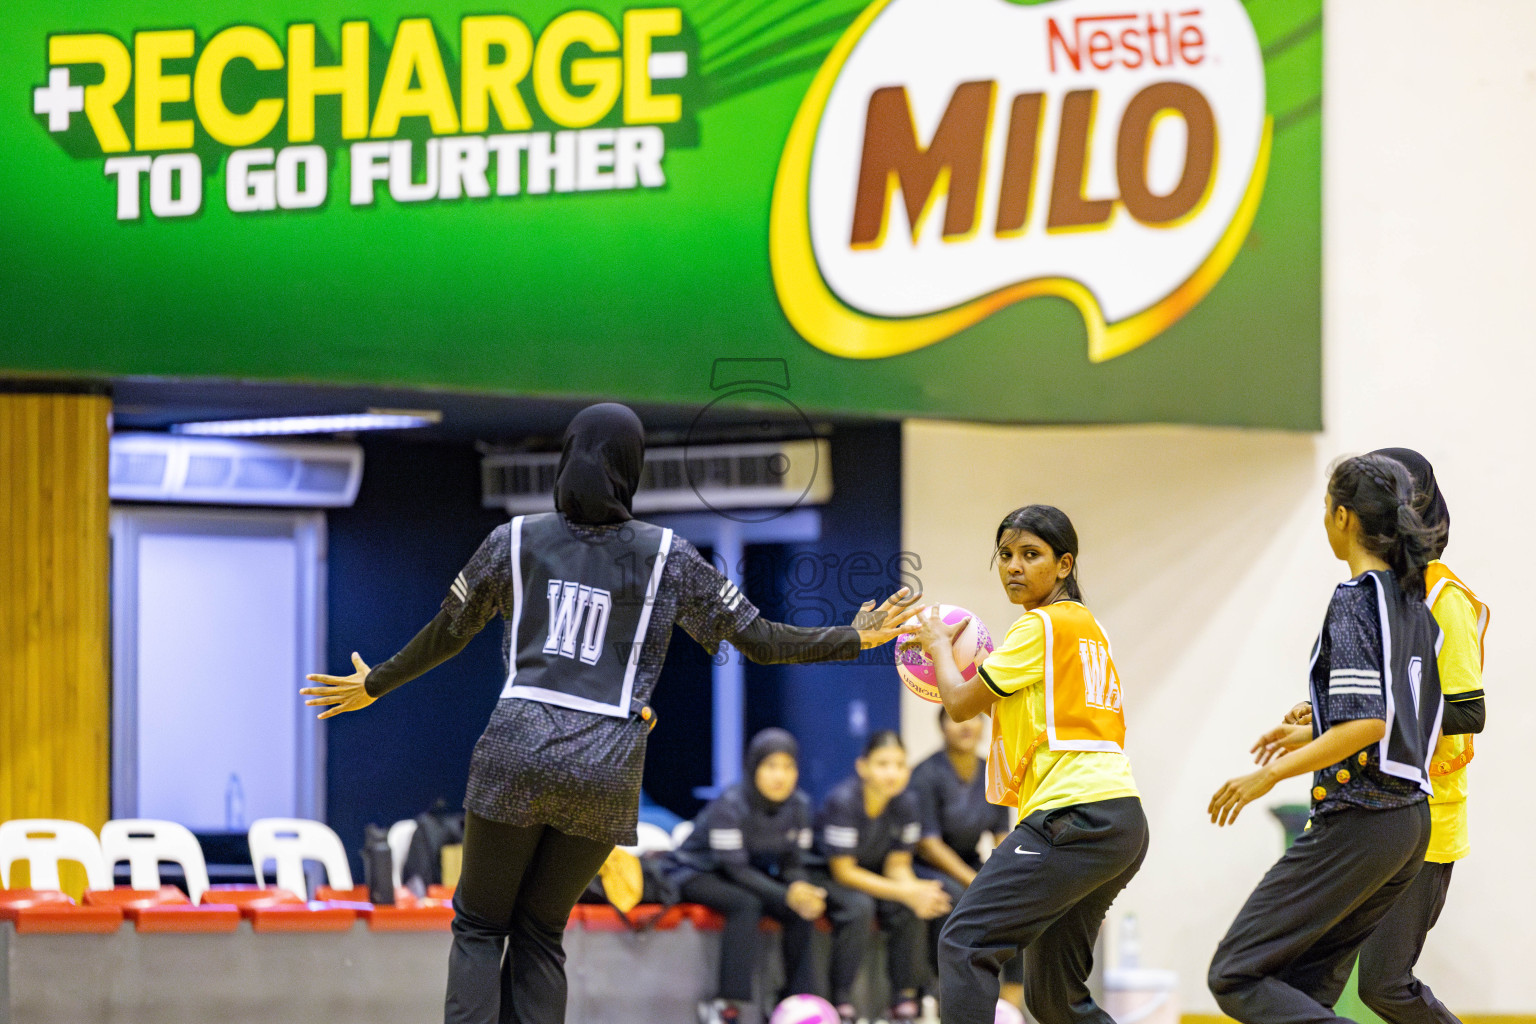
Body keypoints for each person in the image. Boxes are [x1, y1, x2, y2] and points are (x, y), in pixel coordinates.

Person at [299, 403, 919, 1024]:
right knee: (541, 932)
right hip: (606, 762)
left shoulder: (513, 539)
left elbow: (449, 631)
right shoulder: (668, 555)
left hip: (516, 745)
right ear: (633, 467)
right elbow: (758, 638)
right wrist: (852, 636)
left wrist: (376, 683)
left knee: (482, 925)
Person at [1206, 453, 1448, 1024]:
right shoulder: (1416, 604)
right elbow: (1399, 716)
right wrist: (1314, 725)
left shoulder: (1356, 598)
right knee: (1306, 989)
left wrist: (1268, 774)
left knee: (1236, 973)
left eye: (1324, 508)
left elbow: (1367, 725)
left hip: (1364, 817)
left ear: (1342, 517)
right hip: (1410, 824)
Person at [909, 504, 1145, 1024]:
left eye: (1030, 555)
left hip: (1075, 816)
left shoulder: (1039, 627)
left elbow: (959, 703)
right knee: (1054, 998)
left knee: (966, 941)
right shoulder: (1087, 628)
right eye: (1006, 555)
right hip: (1121, 821)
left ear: (1064, 565)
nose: (1013, 566)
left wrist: (939, 649)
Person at [1281, 449, 1487, 1024]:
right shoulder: (1380, 596)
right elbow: (1374, 694)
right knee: (1301, 978)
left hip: (1423, 817)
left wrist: (1384, 716)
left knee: (1384, 985)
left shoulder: (1445, 600)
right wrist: (1319, 711)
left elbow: (1469, 713)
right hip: (1361, 810)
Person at [660, 728, 826, 1024]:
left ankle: (795, 1002)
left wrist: (801, 889)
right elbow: (733, 868)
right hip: (695, 869)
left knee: (800, 910)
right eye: (771, 766)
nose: (780, 776)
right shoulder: (730, 804)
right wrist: (786, 893)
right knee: (745, 903)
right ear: (753, 767)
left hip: (745, 873)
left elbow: (793, 863)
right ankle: (727, 1006)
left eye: (788, 767)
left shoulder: (799, 805)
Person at [809, 730, 951, 1024]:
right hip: (827, 875)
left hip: (871, 874)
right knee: (860, 907)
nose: (892, 773)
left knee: (914, 903)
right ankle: (841, 999)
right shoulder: (843, 801)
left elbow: (897, 865)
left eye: (900, 765)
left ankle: (905, 999)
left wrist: (915, 891)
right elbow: (844, 871)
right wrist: (906, 892)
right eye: (883, 764)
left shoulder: (907, 803)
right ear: (863, 766)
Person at [909, 709, 1020, 1006]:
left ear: (984, 727)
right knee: (957, 898)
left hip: (971, 861)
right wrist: (974, 880)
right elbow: (929, 844)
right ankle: (944, 992)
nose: (966, 726)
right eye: (956, 719)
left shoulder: (993, 771)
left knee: (1017, 896)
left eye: (973, 719)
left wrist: (1007, 875)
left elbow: (1002, 836)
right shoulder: (926, 774)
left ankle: (1013, 994)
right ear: (942, 727)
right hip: (927, 865)